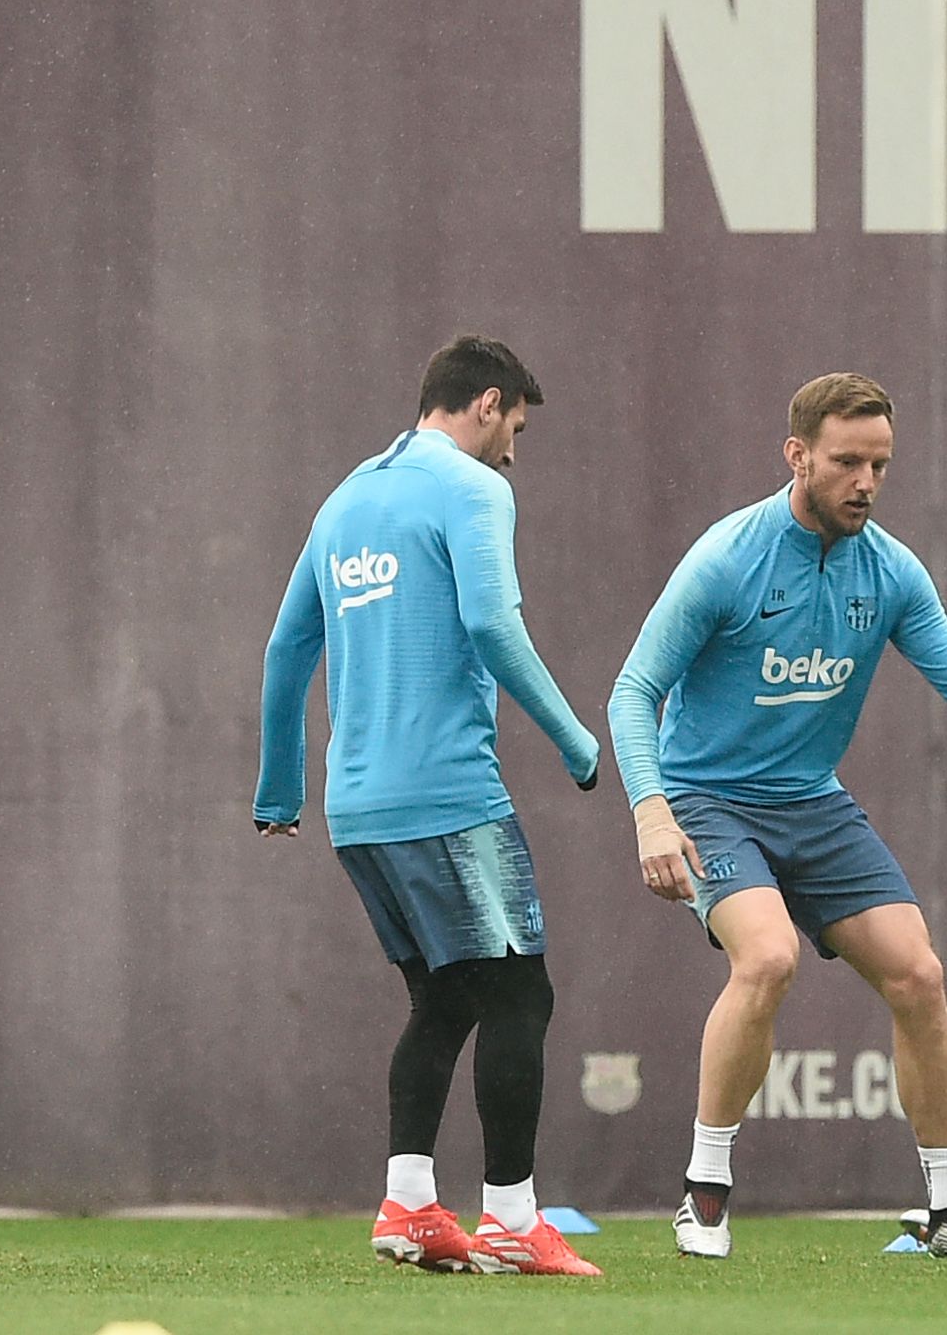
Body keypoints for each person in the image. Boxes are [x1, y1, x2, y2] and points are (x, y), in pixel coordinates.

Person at [608, 372, 947, 1263]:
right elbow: (633, 691)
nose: (866, 483)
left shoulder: (889, 569)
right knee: (768, 958)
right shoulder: (729, 559)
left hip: (814, 802)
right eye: (847, 462)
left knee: (919, 975)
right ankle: (705, 1192)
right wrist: (654, 815)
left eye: (880, 464)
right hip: (710, 801)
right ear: (796, 455)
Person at [253, 335, 605, 1277]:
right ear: (486, 404)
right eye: (516, 427)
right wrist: (577, 742)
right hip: (446, 796)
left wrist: (279, 790)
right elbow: (493, 623)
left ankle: (409, 1204)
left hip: (356, 809)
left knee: (447, 999)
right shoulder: (473, 488)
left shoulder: (346, 499)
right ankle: (512, 1220)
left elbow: (288, 650)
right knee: (522, 992)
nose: (515, 452)